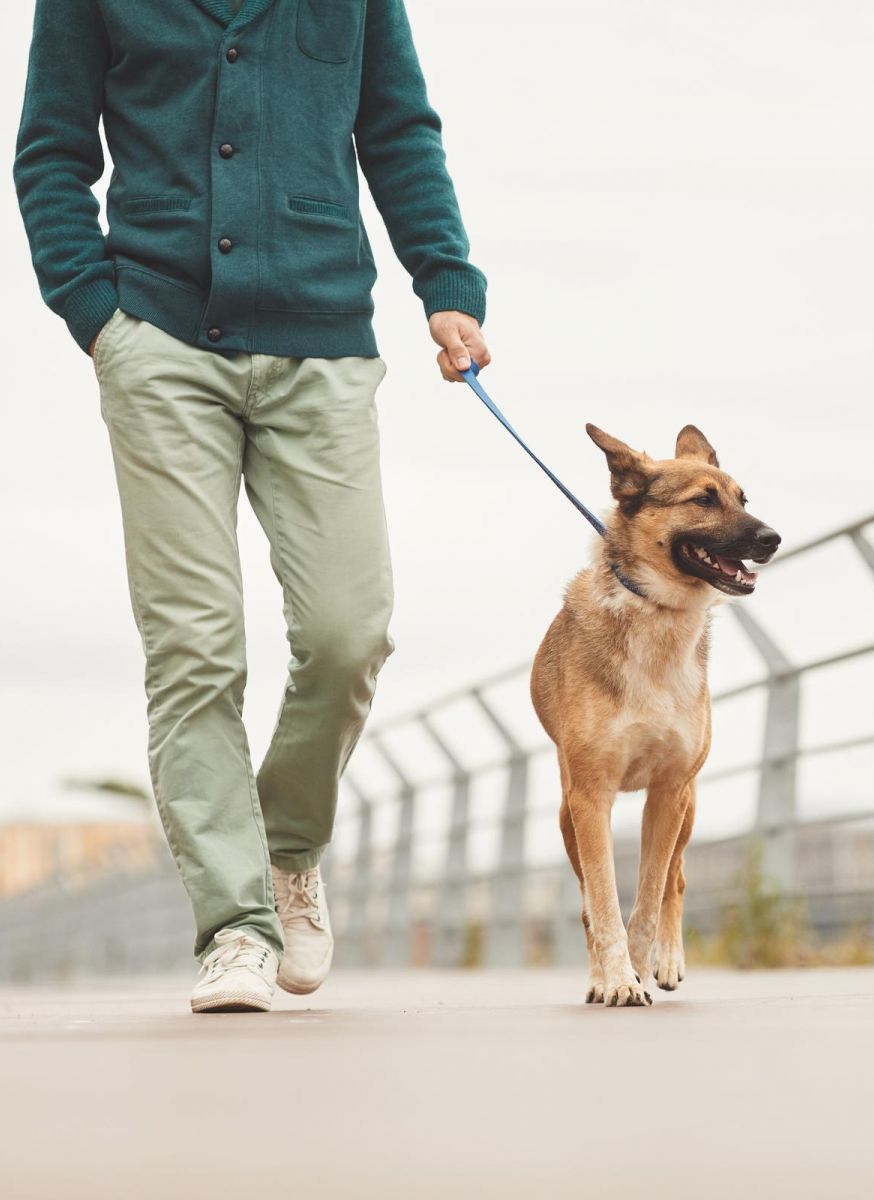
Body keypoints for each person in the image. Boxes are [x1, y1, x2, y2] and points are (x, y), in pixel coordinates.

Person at [13, 0, 491, 1012]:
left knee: (347, 631)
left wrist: (443, 278)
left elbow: (397, 127)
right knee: (195, 644)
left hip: (325, 341)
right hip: (157, 339)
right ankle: (234, 927)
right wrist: (94, 314)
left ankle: (286, 854)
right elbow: (52, 151)